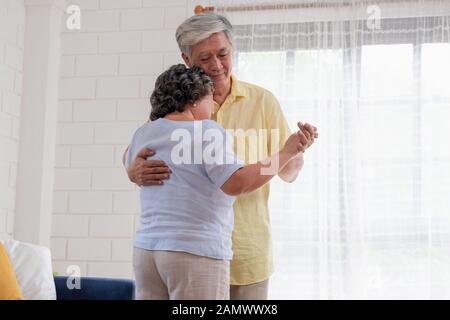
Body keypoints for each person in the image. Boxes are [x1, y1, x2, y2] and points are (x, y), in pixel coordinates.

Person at [125, 13, 318, 300]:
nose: (216, 66)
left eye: (223, 54)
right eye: (205, 58)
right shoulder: (181, 110)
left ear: (232, 50)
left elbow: (287, 173)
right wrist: (133, 171)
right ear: (186, 59)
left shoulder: (263, 101)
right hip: (195, 251)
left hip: (246, 253)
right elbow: (136, 154)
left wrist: (294, 152)